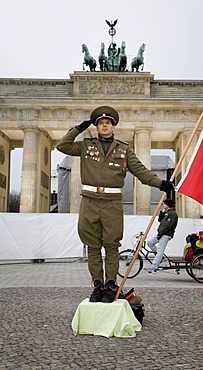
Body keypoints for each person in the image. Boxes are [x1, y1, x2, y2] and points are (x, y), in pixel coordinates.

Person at [57, 106, 173, 303]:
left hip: (112, 203)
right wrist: (79, 128)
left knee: (111, 246)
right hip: (90, 201)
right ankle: (97, 285)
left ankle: (110, 284)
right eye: (101, 123)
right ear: (96, 126)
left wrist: (161, 183)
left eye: (108, 123)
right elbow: (63, 146)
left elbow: (141, 172)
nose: (104, 126)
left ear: (113, 127)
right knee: (93, 246)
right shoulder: (85, 146)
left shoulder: (123, 149)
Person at [147, 198, 178, 273]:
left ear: (168, 205)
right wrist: (162, 212)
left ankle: (153, 267)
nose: (163, 205)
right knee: (150, 243)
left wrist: (160, 233)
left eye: (164, 204)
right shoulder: (167, 212)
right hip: (161, 233)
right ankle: (160, 258)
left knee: (160, 250)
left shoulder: (172, 214)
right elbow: (160, 220)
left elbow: (168, 226)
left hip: (166, 234)